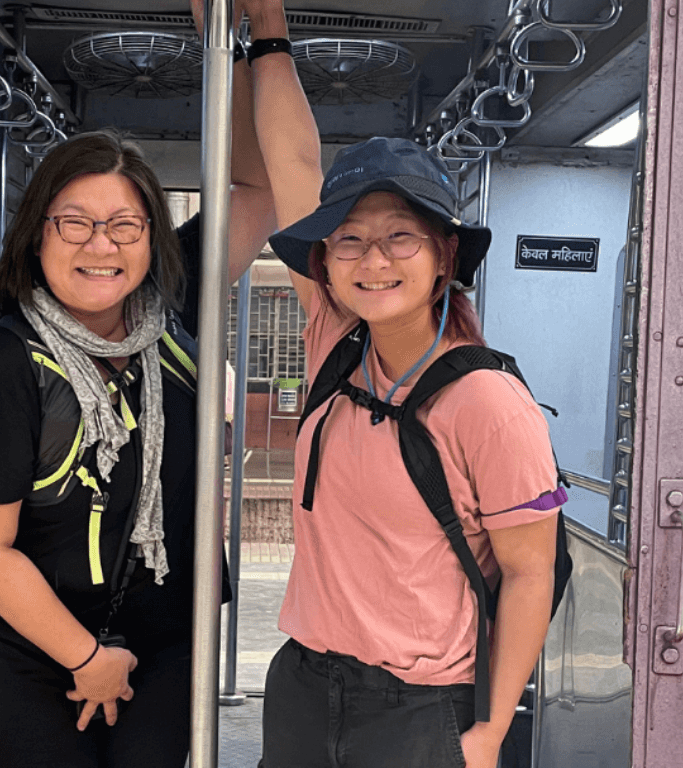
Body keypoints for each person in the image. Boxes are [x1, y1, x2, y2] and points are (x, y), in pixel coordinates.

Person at [0, 3, 313, 765]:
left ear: (150, 239)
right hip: (32, 650)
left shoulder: (169, 309)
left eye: (125, 226)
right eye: (73, 223)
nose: (99, 246)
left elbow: (258, 189)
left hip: (166, 638)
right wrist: (84, 657)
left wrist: (251, 43)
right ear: (36, 234)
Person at [257, 137, 566, 768]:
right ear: (324, 262)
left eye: (401, 236)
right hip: (303, 689)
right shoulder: (336, 352)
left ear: (444, 256)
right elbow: (289, 166)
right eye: (348, 238)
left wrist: (489, 731)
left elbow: (531, 575)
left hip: (422, 710)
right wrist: (267, 38)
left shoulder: (490, 404)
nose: (373, 259)